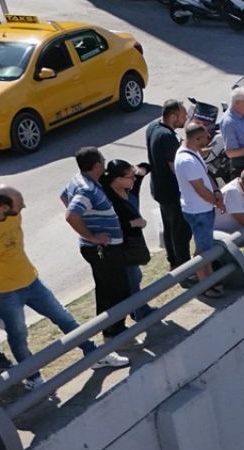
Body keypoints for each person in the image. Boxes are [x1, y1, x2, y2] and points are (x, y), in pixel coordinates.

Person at [0, 187, 130, 390]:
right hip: (4, 292)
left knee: (64, 317)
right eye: (19, 204)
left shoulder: (13, 215)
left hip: (32, 281)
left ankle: (94, 354)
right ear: (2, 207)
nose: (24, 207)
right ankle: (33, 378)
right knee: (18, 335)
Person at [62, 147, 131, 341]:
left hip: (100, 248)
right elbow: (71, 215)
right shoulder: (86, 189)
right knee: (118, 290)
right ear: (97, 165)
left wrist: (89, 220)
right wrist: (93, 236)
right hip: (103, 250)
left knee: (105, 290)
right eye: (103, 160)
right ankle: (115, 333)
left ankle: (109, 329)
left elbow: (63, 196)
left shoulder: (78, 179)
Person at [99, 159, 156, 323]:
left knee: (135, 276)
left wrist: (139, 170)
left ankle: (138, 309)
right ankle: (140, 313)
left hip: (134, 241)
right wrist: (134, 223)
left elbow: (146, 167)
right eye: (130, 177)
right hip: (121, 245)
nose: (134, 179)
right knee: (132, 278)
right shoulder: (108, 198)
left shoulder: (130, 187)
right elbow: (110, 223)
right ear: (117, 179)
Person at [176, 123, 228, 298]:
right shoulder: (187, 161)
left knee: (204, 246)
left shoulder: (193, 153)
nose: (208, 140)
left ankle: (209, 279)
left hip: (202, 208)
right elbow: (199, 188)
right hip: (198, 211)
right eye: (205, 137)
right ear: (196, 139)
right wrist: (216, 202)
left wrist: (216, 191)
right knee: (203, 251)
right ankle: (206, 285)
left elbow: (206, 178)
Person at [145, 99, 192, 270]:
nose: (186, 118)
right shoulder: (167, 136)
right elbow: (176, 168)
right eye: (183, 115)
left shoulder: (153, 127)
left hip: (159, 189)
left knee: (169, 228)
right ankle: (185, 268)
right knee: (181, 232)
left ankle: (173, 261)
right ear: (173, 117)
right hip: (172, 192)